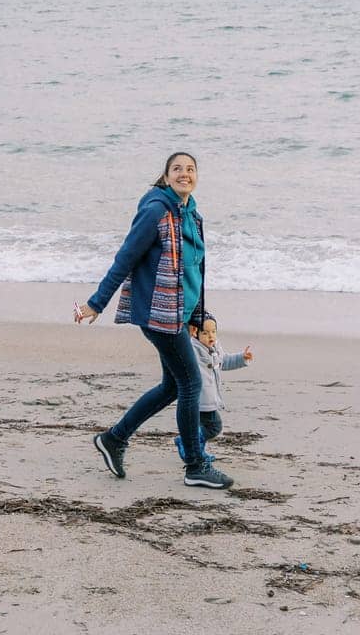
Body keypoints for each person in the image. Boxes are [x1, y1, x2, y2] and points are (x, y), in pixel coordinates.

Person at [74, 151, 234, 490]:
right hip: (160, 315)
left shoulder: (192, 216)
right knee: (190, 384)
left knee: (173, 386)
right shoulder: (156, 211)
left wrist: (197, 315)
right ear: (165, 175)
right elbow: (126, 257)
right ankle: (195, 464)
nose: (184, 174)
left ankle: (114, 439)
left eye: (190, 169)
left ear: (197, 177)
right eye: (177, 169)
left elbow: (196, 272)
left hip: (180, 315)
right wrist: (96, 303)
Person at [174, 314, 254, 462]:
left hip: (210, 398)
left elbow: (225, 361)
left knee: (201, 427)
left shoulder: (215, 346)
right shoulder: (192, 349)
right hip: (200, 399)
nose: (211, 336)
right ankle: (186, 443)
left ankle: (194, 449)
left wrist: (242, 358)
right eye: (205, 333)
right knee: (214, 427)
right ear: (195, 333)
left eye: (214, 331)